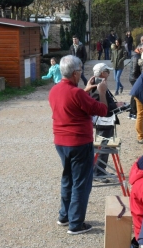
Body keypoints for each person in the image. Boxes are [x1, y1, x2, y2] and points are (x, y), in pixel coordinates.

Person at [49, 55, 108, 235]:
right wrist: (102, 92)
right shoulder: (77, 94)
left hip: (61, 141)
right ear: (75, 73)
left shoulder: (55, 90)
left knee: (68, 179)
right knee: (81, 183)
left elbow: (73, 103)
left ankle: (64, 216)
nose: (81, 73)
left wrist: (85, 90)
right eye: (80, 71)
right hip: (79, 142)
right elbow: (103, 110)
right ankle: (76, 223)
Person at [90, 63, 127, 183]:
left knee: (104, 147)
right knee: (103, 148)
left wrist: (116, 105)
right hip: (103, 121)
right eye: (107, 71)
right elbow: (99, 104)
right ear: (101, 73)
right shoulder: (97, 86)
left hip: (106, 120)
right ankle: (98, 172)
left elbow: (105, 102)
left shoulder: (100, 83)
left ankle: (100, 170)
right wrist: (114, 105)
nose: (109, 73)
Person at [128, 43, 143, 120]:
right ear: (140, 49)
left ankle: (132, 111)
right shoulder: (136, 57)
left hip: (136, 77)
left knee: (134, 94)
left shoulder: (139, 56)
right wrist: (138, 80)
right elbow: (134, 70)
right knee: (135, 94)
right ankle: (133, 112)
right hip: (135, 78)